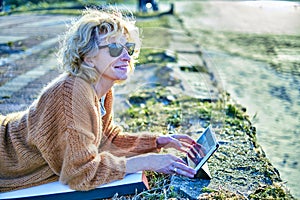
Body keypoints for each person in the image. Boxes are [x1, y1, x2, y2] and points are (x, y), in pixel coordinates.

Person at [0, 7, 197, 192]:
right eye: (113, 49)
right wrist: (146, 162)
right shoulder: (72, 93)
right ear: (88, 57)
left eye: (128, 48)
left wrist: (157, 142)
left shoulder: (101, 90)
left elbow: (107, 139)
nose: (126, 57)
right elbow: (80, 173)